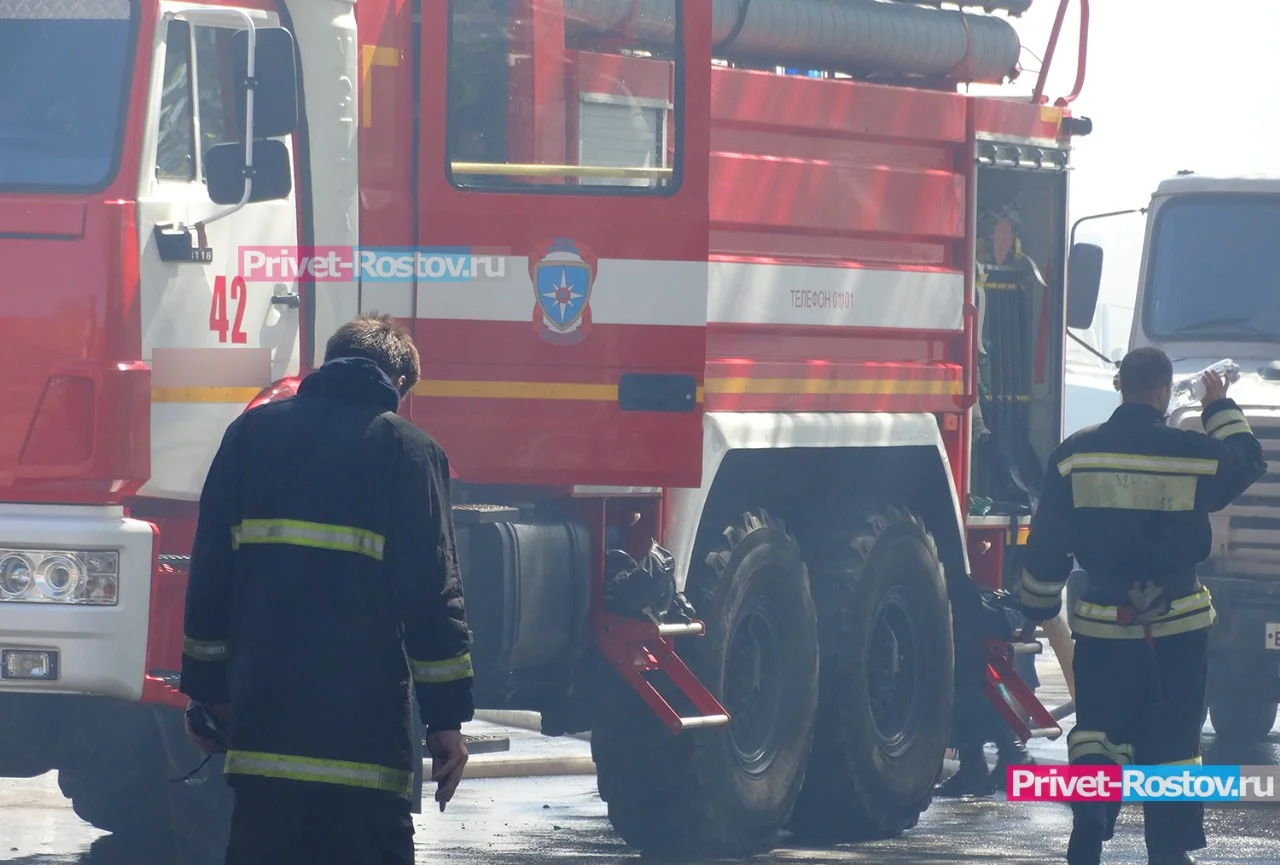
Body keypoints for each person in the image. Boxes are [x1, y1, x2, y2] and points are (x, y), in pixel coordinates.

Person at [179, 314, 475, 865]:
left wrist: (205, 692)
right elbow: (433, 597)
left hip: (263, 733)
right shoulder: (411, 451)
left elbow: (212, 574)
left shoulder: (250, 435)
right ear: (399, 386)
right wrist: (445, 721)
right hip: (364, 746)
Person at [1016, 347, 1266, 865]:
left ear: (1118, 386)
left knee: (1097, 730)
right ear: (1161, 391)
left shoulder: (1074, 455)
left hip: (1104, 623)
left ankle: (1090, 819)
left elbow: (1047, 544)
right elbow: (1248, 462)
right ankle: (1168, 849)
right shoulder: (1190, 452)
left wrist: (1037, 604)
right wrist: (1218, 406)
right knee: (1173, 738)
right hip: (1177, 627)